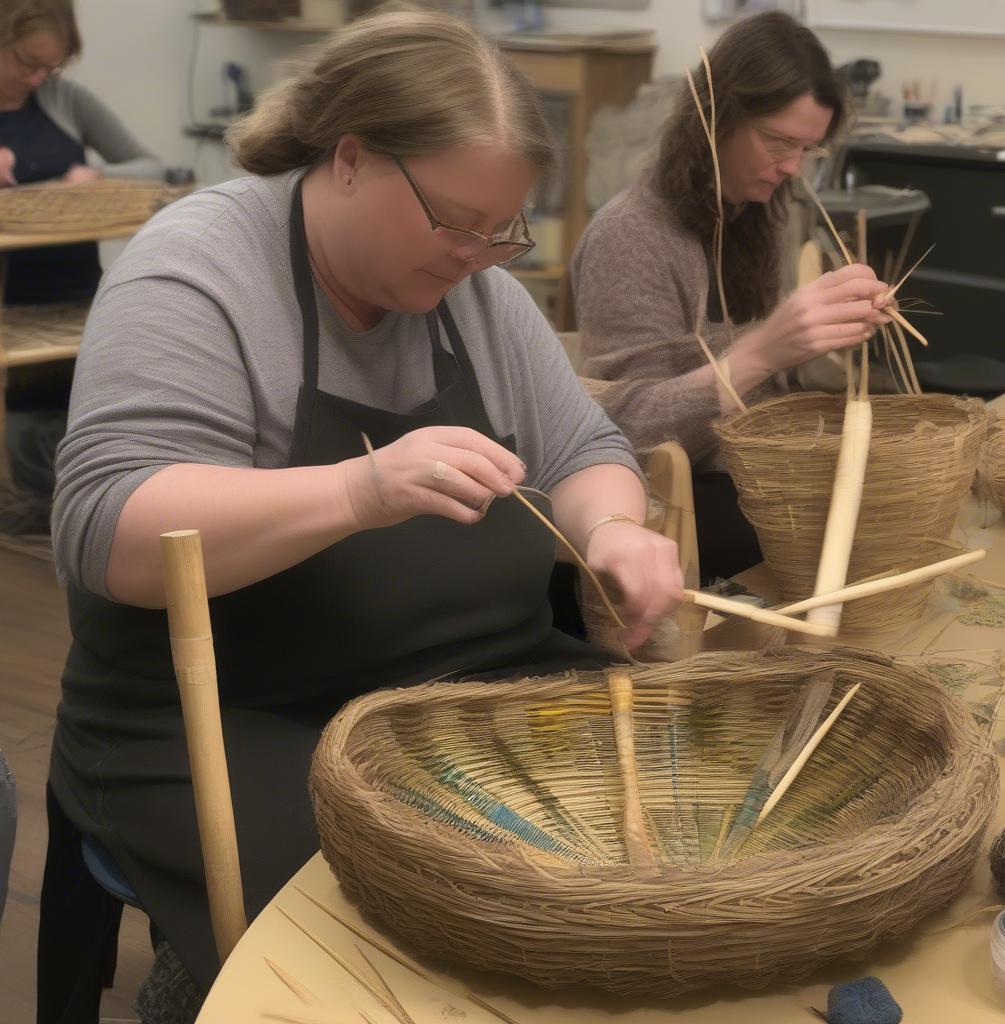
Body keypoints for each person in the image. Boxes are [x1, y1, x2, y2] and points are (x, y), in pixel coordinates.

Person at [42, 8, 682, 1018]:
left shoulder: (477, 292)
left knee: (669, 803)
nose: (482, 254)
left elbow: (587, 450)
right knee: (407, 926)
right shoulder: (200, 269)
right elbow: (107, 527)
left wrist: (611, 530)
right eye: (456, 222)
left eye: (502, 227)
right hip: (239, 713)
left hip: (470, 686)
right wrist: (357, 490)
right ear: (349, 160)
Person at [571, 11, 890, 581]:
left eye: (807, 150)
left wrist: (828, 329)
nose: (791, 168)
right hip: (665, 498)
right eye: (777, 142)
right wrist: (764, 350)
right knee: (827, 531)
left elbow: (770, 396)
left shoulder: (755, 213)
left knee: (887, 489)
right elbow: (626, 436)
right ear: (714, 116)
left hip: (746, 469)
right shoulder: (630, 235)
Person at [0, 0, 161, 512]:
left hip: (74, 307)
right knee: (25, 458)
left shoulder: (63, 98)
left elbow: (151, 166)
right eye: (28, 62)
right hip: (8, 323)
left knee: (87, 437)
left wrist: (97, 175)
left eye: (52, 66)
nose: (39, 76)